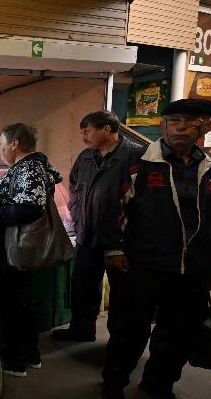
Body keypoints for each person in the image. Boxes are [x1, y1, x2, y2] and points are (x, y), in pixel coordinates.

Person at [100, 99, 211, 399]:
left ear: (205, 126)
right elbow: (112, 208)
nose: (181, 127)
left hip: (192, 271)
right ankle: (113, 383)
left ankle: (158, 384)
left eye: (190, 121)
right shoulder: (140, 163)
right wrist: (114, 249)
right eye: (173, 120)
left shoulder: (210, 169)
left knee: (179, 332)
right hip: (144, 266)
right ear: (163, 125)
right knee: (131, 330)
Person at [0, 123, 63, 377]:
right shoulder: (35, 166)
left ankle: (15, 360)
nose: (0, 149)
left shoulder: (28, 168)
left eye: (2, 143)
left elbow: (28, 207)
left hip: (15, 247)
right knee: (24, 300)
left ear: (15, 144)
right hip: (19, 245)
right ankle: (30, 354)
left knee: (13, 302)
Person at [53, 111, 146, 342]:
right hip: (88, 236)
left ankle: (118, 345)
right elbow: (73, 187)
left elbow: (142, 202)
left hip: (120, 242)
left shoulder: (135, 156)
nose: (84, 135)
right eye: (82, 131)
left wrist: (123, 240)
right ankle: (81, 330)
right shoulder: (85, 157)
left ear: (107, 129)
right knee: (83, 289)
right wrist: (77, 215)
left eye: (88, 130)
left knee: (122, 296)